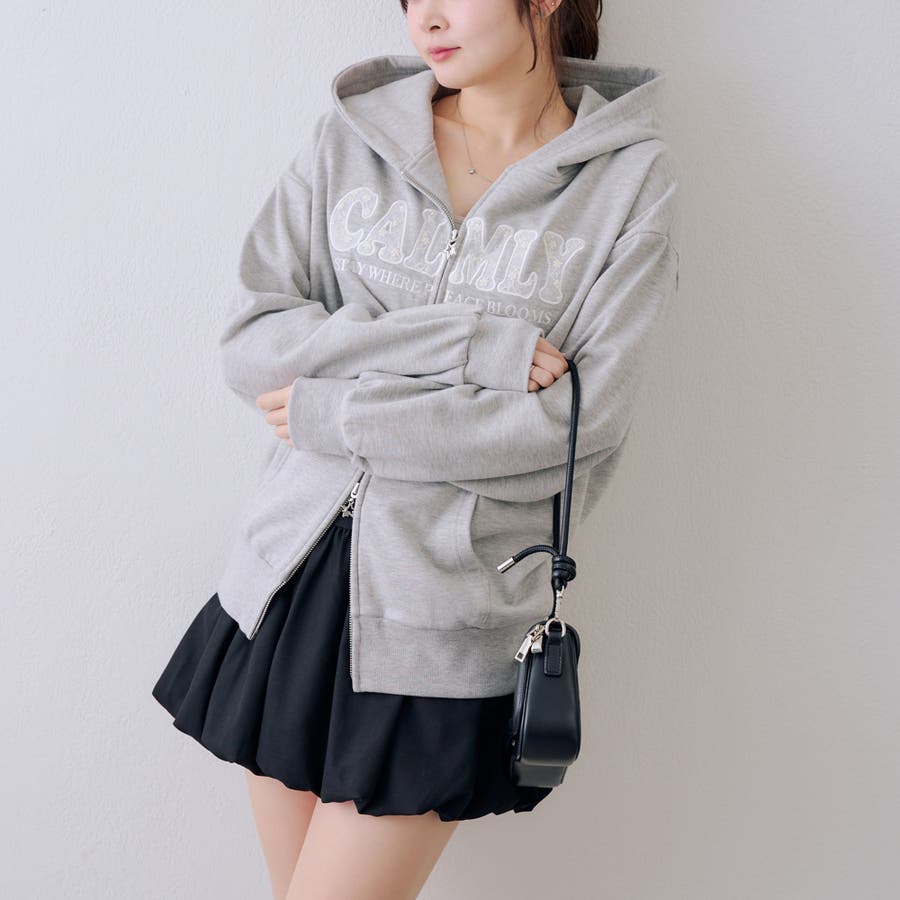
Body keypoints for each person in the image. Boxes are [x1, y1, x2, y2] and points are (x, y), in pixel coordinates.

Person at [151, 0, 681, 897]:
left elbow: (574, 424)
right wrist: (470, 348)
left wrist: (337, 414)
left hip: (440, 618)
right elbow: (254, 344)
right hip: (284, 584)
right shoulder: (352, 140)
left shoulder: (629, 181)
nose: (424, 17)